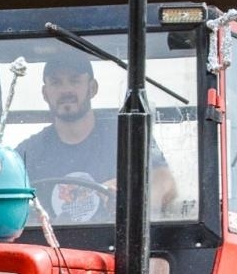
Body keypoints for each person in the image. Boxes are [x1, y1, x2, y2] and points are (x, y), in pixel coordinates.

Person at [17, 51, 179, 223]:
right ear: (45, 93)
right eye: (56, 83)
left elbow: (165, 183)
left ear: (92, 88)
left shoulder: (126, 135)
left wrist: (130, 193)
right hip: (49, 240)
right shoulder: (27, 153)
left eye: (75, 80)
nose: (66, 90)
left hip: (118, 238)